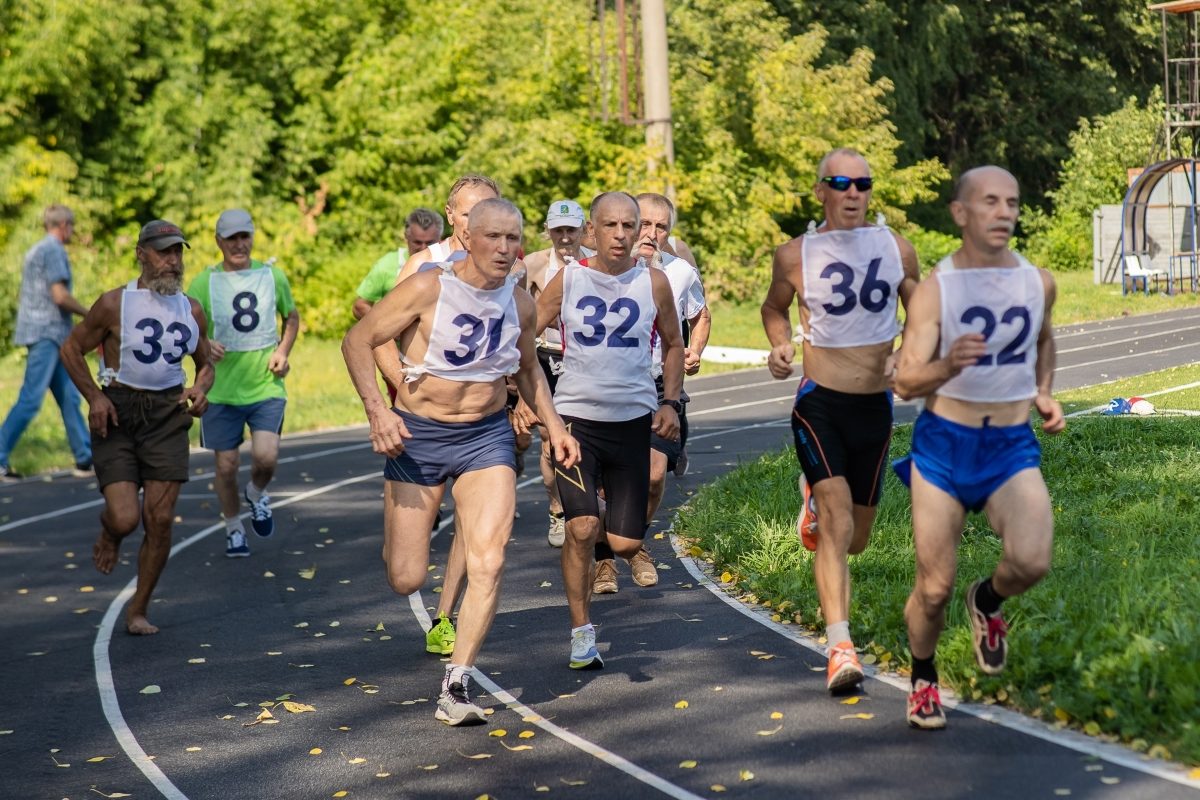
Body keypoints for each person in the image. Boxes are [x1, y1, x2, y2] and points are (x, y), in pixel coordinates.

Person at [343, 198, 579, 725]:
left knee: (489, 559)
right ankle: (403, 532)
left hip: (486, 437)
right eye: (493, 237)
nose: (504, 248)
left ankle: (457, 682)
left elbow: (528, 369)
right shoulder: (430, 286)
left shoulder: (520, 304)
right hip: (419, 435)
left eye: (513, 239)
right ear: (467, 237)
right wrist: (379, 411)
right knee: (405, 578)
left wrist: (555, 426)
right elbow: (358, 339)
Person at [892, 166, 1063, 729]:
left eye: (1012, 202)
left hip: (1010, 443)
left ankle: (987, 600)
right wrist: (948, 363)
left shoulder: (1038, 282)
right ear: (960, 213)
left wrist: (1043, 391)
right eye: (990, 201)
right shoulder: (939, 289)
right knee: (934, 588)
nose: (1004, 212)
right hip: (944, 445)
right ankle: (923, 675)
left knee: (1033, 559)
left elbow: (1043, 340)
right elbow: (906, 381)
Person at [760, 148, 920, 693]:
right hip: (818, 401)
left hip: (874, 406)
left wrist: (908, 350)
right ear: (821, 190)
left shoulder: (896, 248)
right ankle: (840, 646)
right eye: (842, 182)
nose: (854, 192)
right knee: (836, 522)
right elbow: (773, 308)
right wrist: (781, 346)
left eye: (863, 183)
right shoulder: (795, 255)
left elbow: (919, 306)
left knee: (856, 538)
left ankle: (814, 504)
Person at [534, 191, 685, 670]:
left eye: (630, 225)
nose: (622, 235)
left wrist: (670, 402)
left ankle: (606, 535)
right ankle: (582, 633)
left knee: (623, 543)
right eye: (611, 226)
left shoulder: (655, 283)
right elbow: (524, 334)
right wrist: (522, 398)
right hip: (576, 422)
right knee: (580, 527)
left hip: (633, 421)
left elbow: (676, 345)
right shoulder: (569, 278)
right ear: (591, 231)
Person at [59, 220, 213, 635]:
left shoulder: (192, 309)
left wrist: (200, 389)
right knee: (127, 518)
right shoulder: (114, 304)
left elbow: (205, 365)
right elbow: (71, 348)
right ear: (142, 254)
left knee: (160, 521)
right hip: (118, 413)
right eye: (163, 252)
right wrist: (95, 397)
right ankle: (111, 531)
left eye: (178, 251)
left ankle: (138, 610)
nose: (172, 260)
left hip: (167, 415)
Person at [372, 176, 503, 658]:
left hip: (481, 422)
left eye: (489, 213)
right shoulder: (423, 266)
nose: (480, 223)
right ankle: (396, 520)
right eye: (470, 214)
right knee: (405, 575)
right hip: (420, 420)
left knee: (477, 524)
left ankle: (446, 614)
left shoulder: (504, 266)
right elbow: (380, 334)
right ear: (452, 215)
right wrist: (403, 383)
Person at [591, 192, 710, 593]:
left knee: (655, 476)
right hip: (611, 384)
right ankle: (605, 559)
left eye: (661, 227)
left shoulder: (681, 272)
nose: (652, 233)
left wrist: (696, 349)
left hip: (661, 385)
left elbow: (700, 314)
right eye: (645, 224)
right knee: (606, 486)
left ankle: (632, 543)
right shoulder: (601, 269)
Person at [185, 209, 300, 557]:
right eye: (231, 238)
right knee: (225, 465)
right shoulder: (204, 282)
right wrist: (205, 344)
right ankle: (234, 526)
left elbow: (291, 316)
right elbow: (186, 325)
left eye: (244, 237)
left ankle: (256, 492)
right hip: (220, 389)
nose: (239, 244)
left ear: (251, 237)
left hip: (265, 385)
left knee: (266, 457)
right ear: (219, 242)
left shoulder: (272, 276)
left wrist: (282, 349)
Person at [0, 205, 91, 479]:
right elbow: (60, 296)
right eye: (71, 226)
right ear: (62, 224)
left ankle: (85, 456)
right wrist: (91, 314)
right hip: (47, 333)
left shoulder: (37, 249)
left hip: (49, 333)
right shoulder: (53, 250)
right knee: (31, 398)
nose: (72, 231)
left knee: (69, 397)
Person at [519, 199, 589, 547]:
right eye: (558, 230)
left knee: (588, 438)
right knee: (550, 442)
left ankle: (588, 506)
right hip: (546, 356)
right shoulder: (531, 265)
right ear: (548, 231)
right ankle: (557, 508)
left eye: (571, 230)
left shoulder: (595, 262)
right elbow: (517, 316)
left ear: (583, 229)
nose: (564, 237)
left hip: (585, 359)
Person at [352, 208, 444, 320]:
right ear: (406, 237)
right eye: (417, 242)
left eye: (430, 242)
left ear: (440, 239)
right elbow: (360, 306)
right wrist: (386, 330)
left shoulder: (450, 263)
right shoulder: (388, 263)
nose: (423, 248)